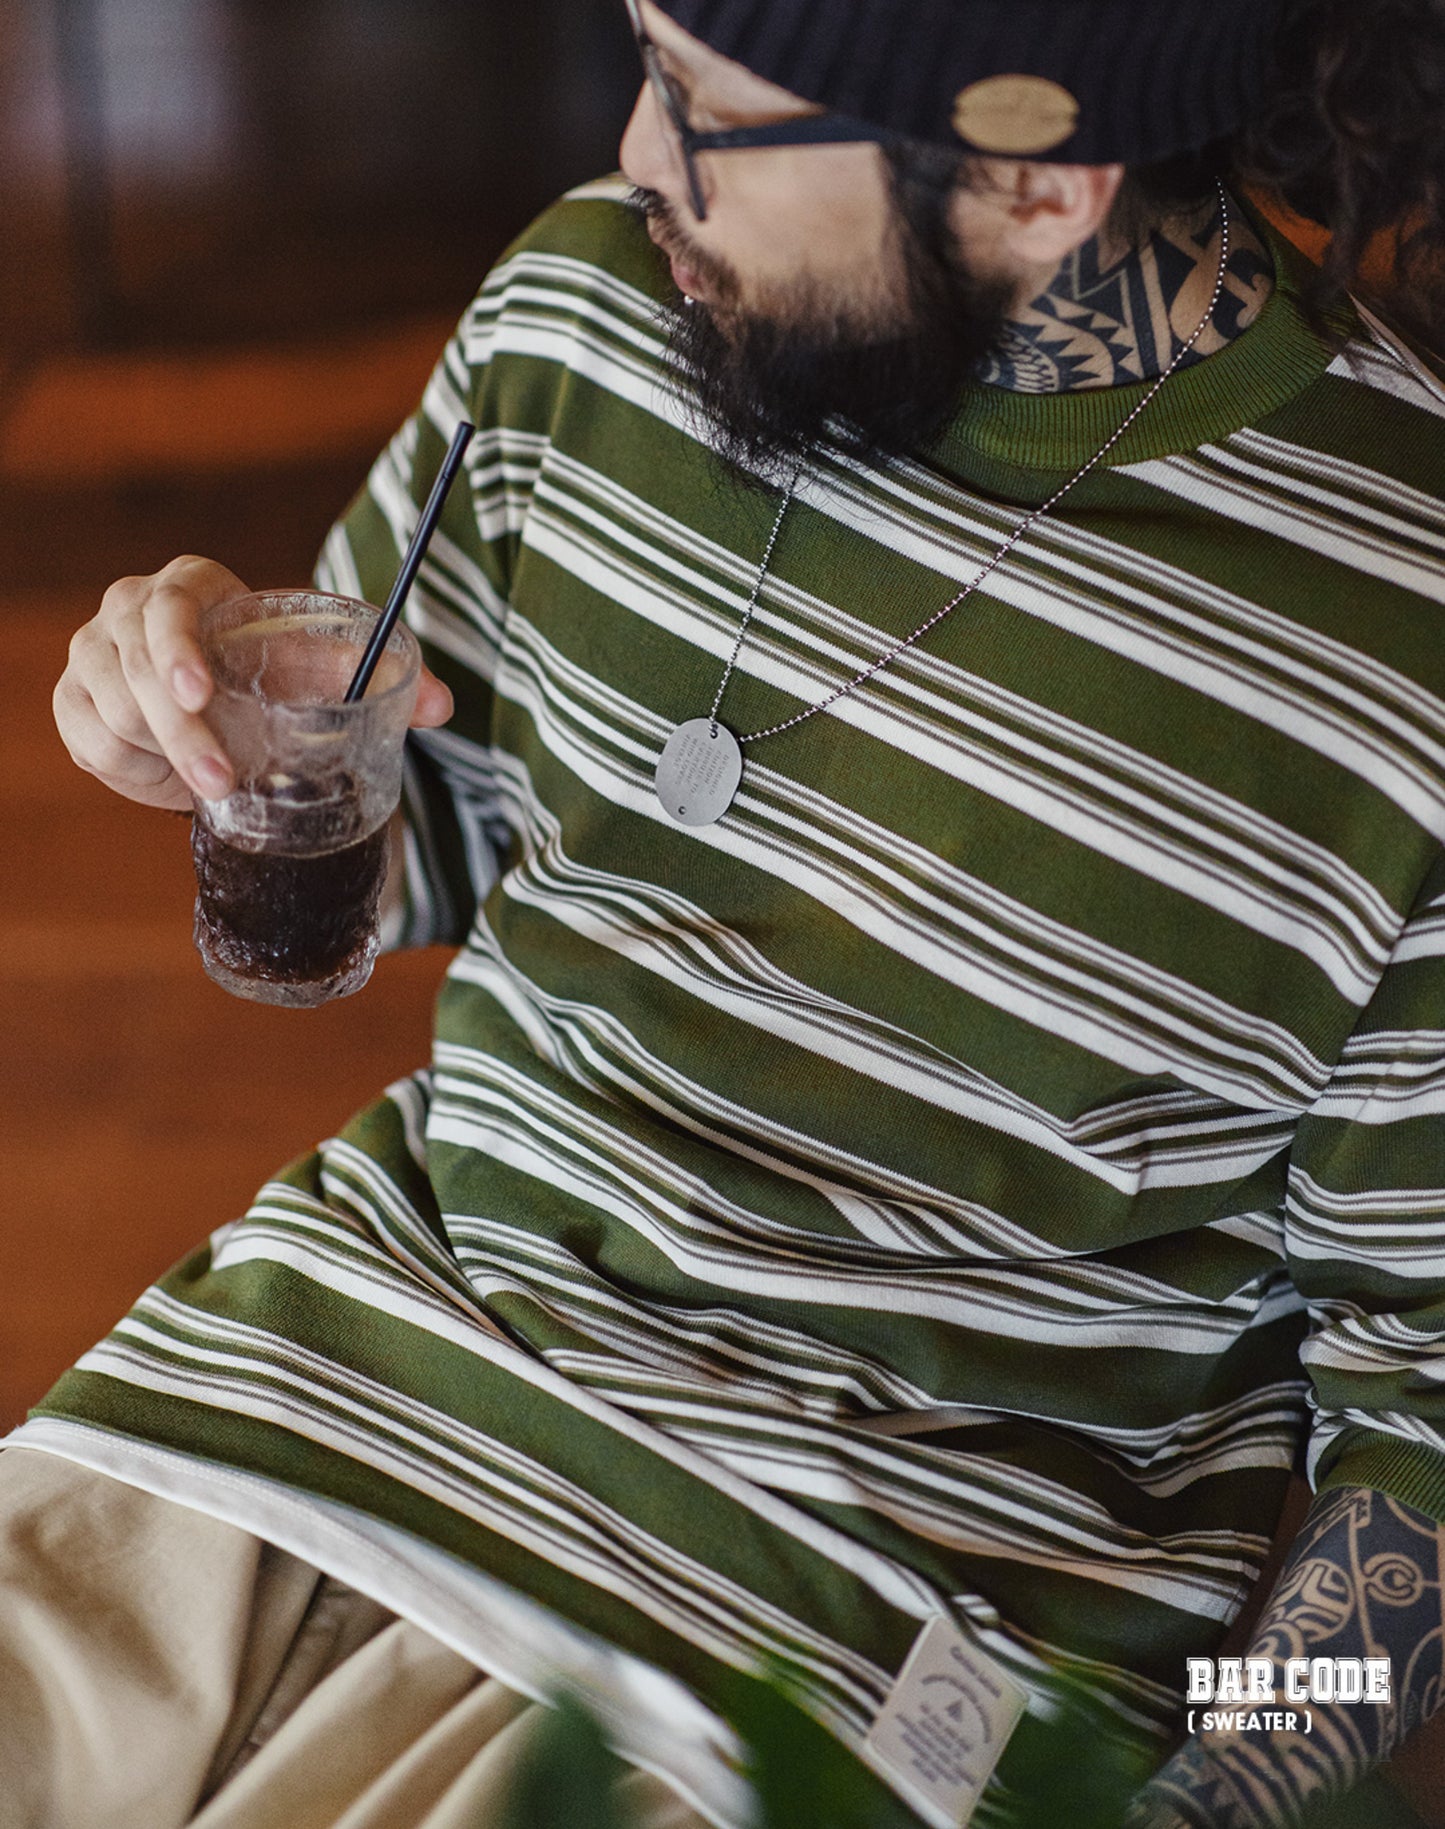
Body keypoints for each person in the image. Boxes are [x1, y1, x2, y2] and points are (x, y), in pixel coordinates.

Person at [15, 0, 1445, 1823]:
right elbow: (408, 839)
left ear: (1031, 182)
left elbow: (1413, 1449)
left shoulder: (1399, 663)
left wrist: (1223, 1790)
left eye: (705, 110)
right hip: (306, 1398)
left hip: (844, 1659)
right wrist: (206, 726)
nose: (629, 161)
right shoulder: (591, 313)